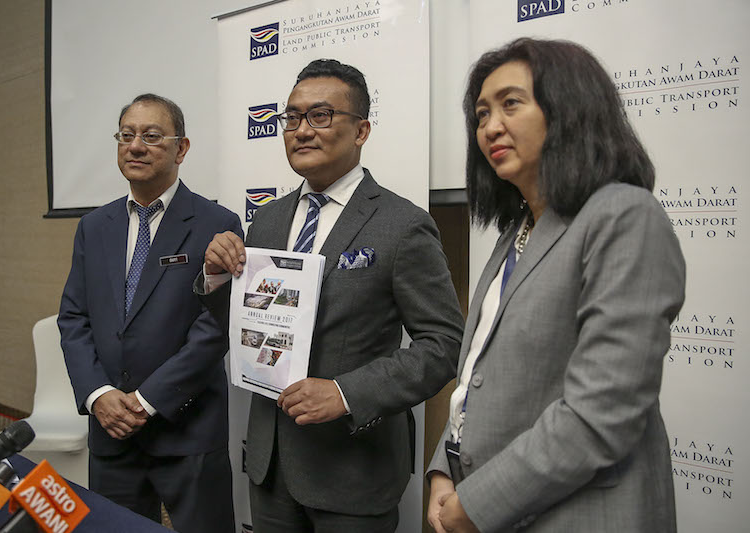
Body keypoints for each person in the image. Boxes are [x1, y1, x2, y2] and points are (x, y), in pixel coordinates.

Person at [426, 38, 686, 533]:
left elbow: (601, 412)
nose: (490, 127)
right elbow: (478, 377)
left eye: (510, 104)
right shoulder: (517, 231)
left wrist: (476, 503)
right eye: (481, 113)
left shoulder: (623, 215)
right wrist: (443, 467)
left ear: (570, 109)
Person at [196, 59, 464, 532]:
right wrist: (218, 280)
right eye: (292, 118)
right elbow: (249, 326)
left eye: (320, 116)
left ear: (361, 130)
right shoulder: (268, 220)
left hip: (353, 470)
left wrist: (345, 393)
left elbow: (442, 346)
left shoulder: (403, 225)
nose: (301, 130)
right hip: (270, 463)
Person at [58, 94, 240, 532]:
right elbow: (73, 318)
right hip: (111, 430)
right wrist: (99, 395)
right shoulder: (94, 226)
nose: (135, 146)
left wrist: (145, 401)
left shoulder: (218, 223)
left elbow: (215, 329)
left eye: (152, 136)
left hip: (187, 430)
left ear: (182, 148)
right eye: (126, 135)